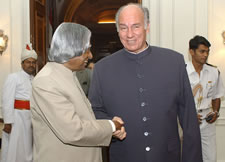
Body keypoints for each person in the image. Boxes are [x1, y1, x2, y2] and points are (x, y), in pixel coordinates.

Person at [88, 3, 202, 162]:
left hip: (167, 156)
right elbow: (95, 110)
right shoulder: (102, 69)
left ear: (147, 27)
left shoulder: (173, 62)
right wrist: (111, 126)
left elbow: (189, 120)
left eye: (135, 26)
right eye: (123, 27)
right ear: (117, 30)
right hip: (124, 155)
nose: (129, 34)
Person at [30, 22, 126, 162]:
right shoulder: (47, 81)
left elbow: (82, 118)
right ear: (71, 49)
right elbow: (73, 130)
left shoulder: (67, 74)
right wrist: (111, 126)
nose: (91, 55)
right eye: (87, 50)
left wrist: (108, 125)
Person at [186, 35, 225, 162]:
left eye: (207, 51)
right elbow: (175, 99)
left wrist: (215, 112)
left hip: (206, 121)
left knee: (210, 157)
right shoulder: (182, 71)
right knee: (188, 156)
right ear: (191, 51)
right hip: (186, 121)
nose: (205, 55)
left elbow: (217, 96)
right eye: (202, 51)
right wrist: (188, 114)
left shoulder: (214, 72)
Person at [1, 44, 37, 162]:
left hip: (31, 119)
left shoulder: (35, 80)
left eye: (33, 62)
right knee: (16, 147)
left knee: (28, 148)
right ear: (22, 64)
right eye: (28, 62)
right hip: (17, 119)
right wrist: (8, 122)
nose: (31, 65)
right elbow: (7, 100)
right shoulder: (14, 77)